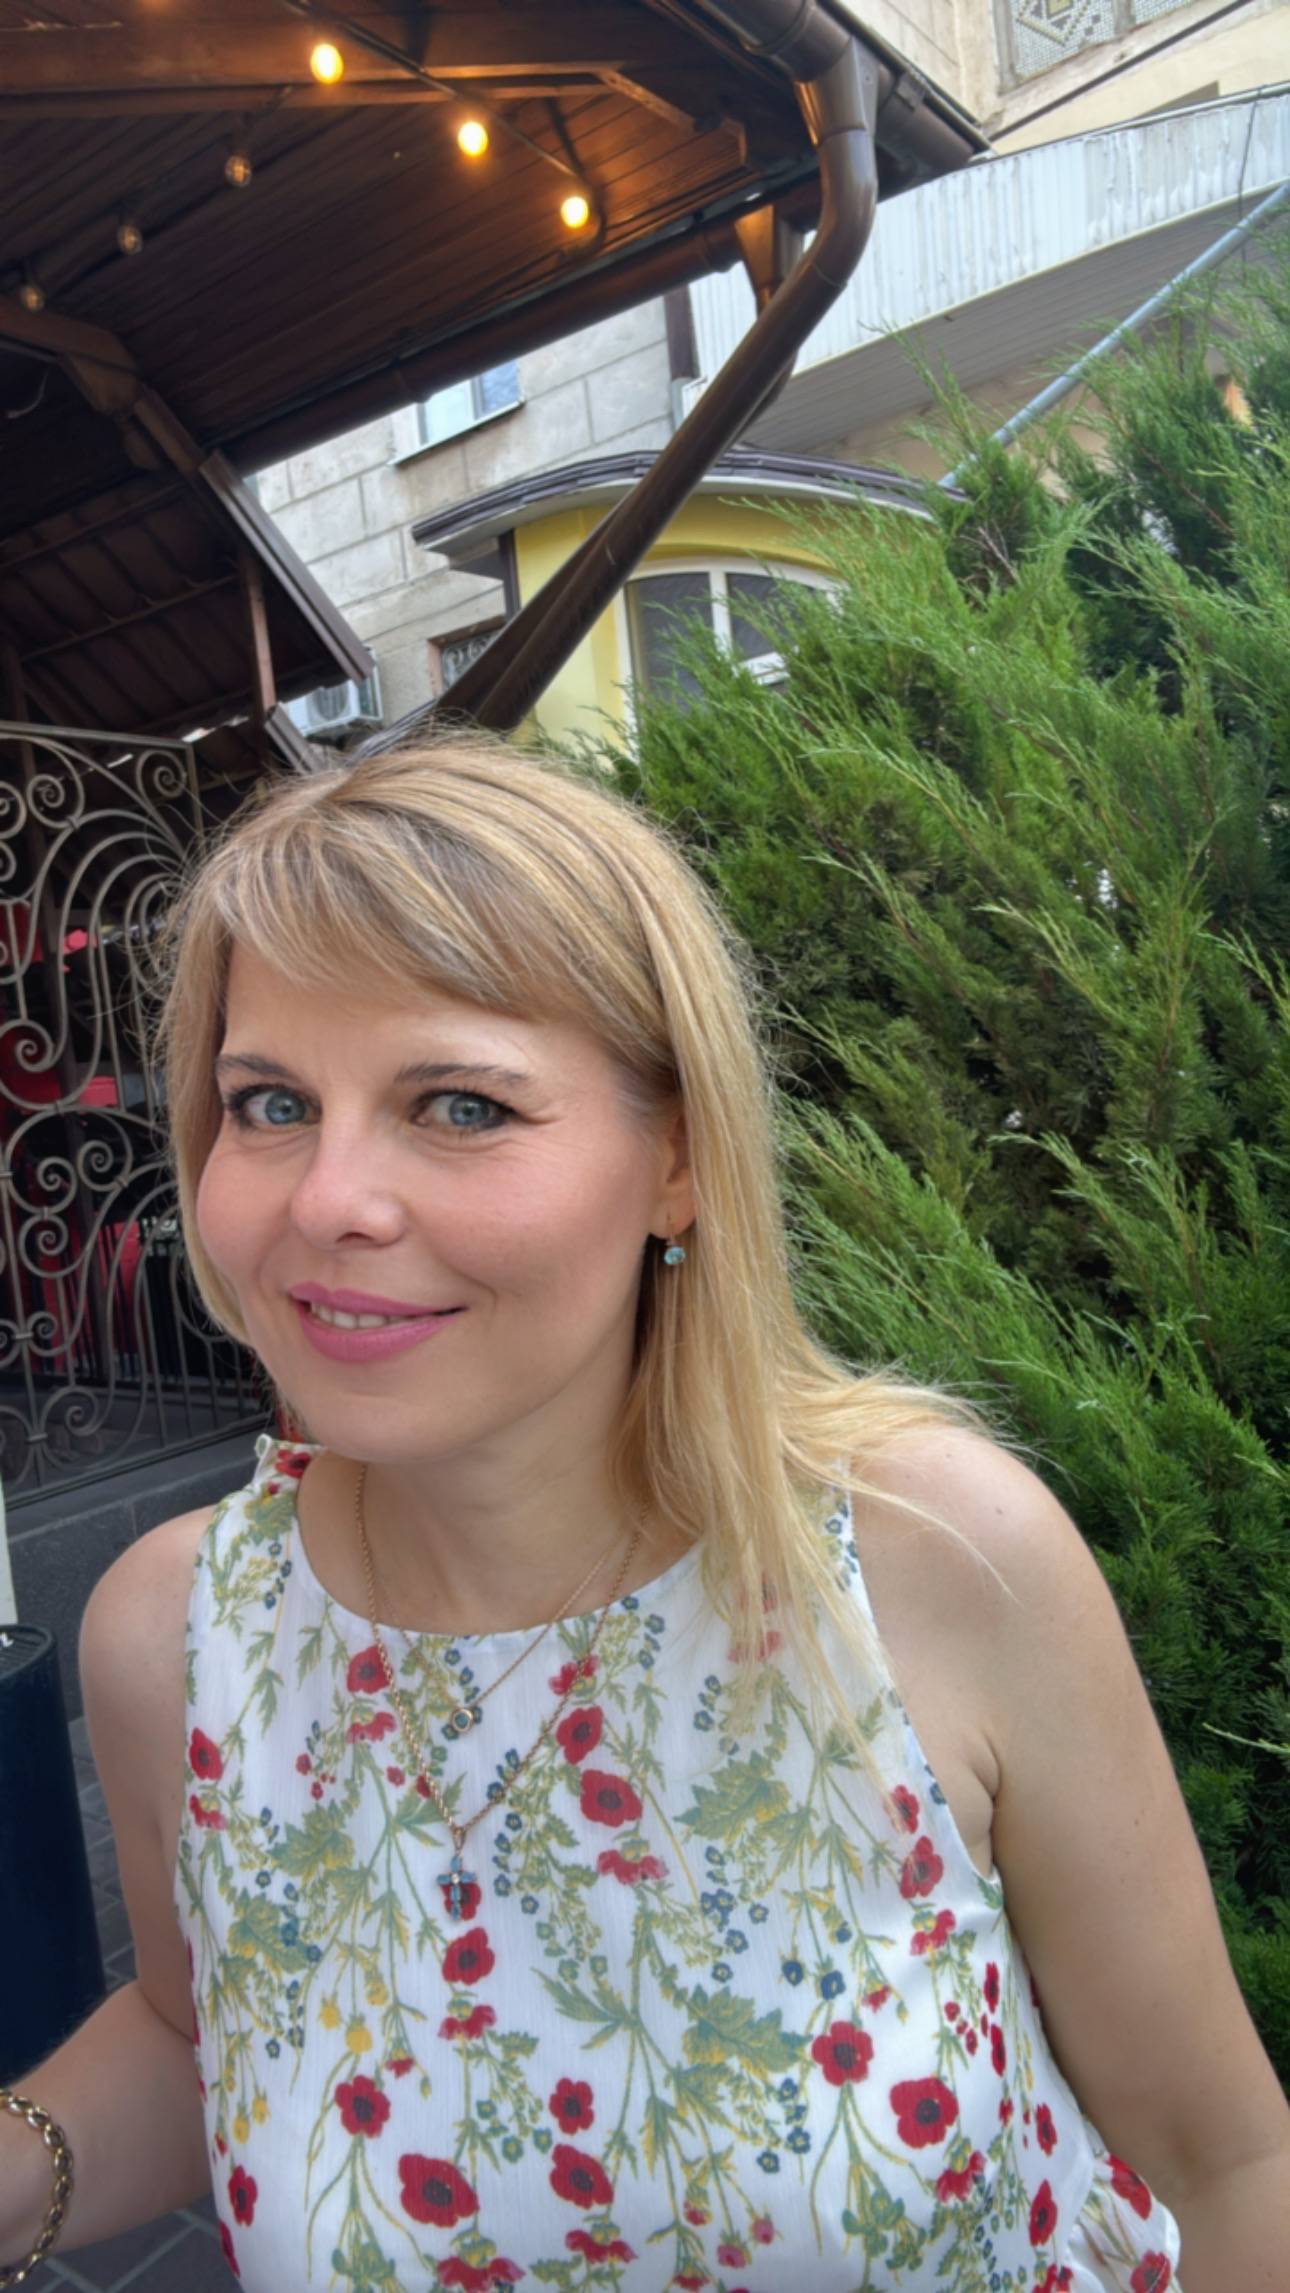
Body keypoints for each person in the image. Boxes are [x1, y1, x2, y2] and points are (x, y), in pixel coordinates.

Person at [1, 737, 1285, 2293]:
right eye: (270, 1101)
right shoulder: (180, 1637)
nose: (326, 1198)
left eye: (458, 1103)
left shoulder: (925, 1562)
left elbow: (1225, 2162)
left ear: (675, 1156)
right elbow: (200, 2029)